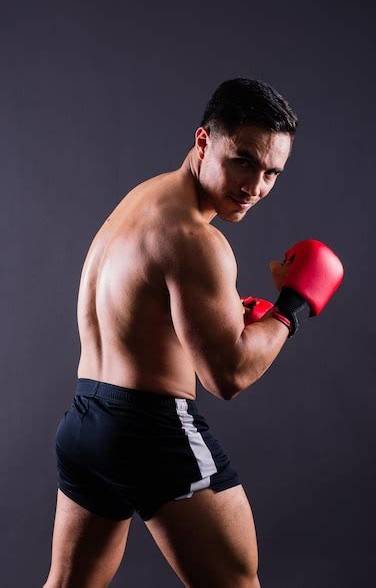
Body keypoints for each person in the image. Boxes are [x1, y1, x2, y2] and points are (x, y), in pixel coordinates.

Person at [43, 78, 343, 588]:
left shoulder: (142, 202)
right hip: (150, 431)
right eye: (243, 161)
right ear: (204, 142)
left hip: (84, 425)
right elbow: (228, 375)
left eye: (272, 172)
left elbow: (151, 313)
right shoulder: (196, 239)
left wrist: (235, 312)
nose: (255, 186)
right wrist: (292, 306)